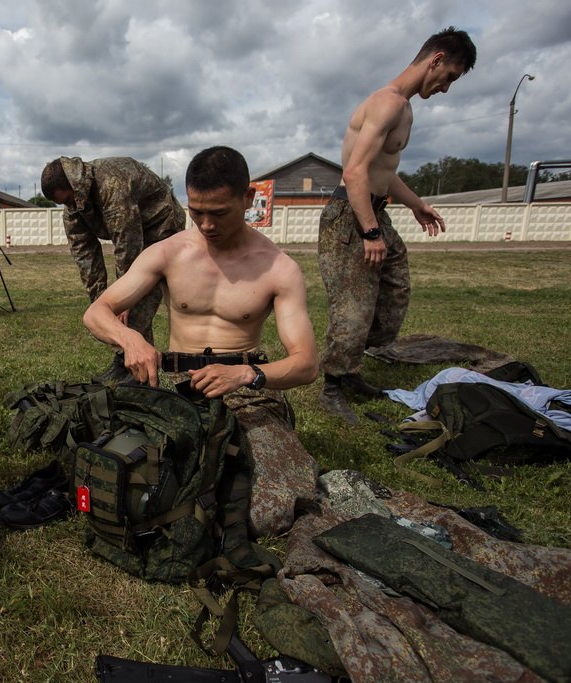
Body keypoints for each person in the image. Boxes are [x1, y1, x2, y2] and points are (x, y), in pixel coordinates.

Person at [82, 146, 319, 538]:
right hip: (174, 392)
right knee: (120, 477)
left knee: (269, 515)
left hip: (246, 395)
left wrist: (245, 374)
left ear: (248, 199)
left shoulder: (279, 269)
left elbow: (306, 363)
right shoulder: (171, 252)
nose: (206, 224)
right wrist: (130, 339)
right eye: (196, 211)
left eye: (219, 212)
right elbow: (97, 311)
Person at [318, 26, 477, 424]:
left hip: (375, 210)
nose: (446, 88)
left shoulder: (406, 108)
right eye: (450, 77)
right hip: (349, 215)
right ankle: (333, 386)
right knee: (353, 304)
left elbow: (383, 174)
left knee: (393, 292)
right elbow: (354, 172)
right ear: (436, 60)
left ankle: (350, 367)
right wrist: (370, 231)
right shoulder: (386, 103)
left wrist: (417, 205)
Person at [41, 156, 185, 382]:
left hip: (161, 227)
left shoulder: (111, 183)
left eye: (69, 199)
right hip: (135, 234)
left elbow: (127, 242)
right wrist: (102, 304)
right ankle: (126, 359)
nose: (69, 207)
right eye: (63, 204)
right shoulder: (73, 209)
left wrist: (123, 301)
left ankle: (138, 370)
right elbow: (85, 255)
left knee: (137, 304)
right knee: (113, 313)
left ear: (74, 185)